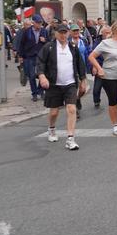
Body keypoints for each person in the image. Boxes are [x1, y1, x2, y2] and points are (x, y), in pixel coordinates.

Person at [36, 23, 87, 151]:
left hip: (70, 84)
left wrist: (83, 80)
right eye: (61, 32)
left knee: (71, 109)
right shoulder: (49, 47)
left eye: (65, 32)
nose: (63, 35)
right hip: (54, 85)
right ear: (56, 33)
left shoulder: (73, 47)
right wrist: (42, 76)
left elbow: (80, 64)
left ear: (68, 33)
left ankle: (70, 139)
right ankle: (52, 128)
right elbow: (40, 62)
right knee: (54, 112)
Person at [88, 21, 117, 136]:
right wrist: (99, 68)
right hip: (109, 76)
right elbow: (91, 57)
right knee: (113, 101)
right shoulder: (105, 43)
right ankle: (115, 125)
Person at [18, 14, 49, 101]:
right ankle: (34, 93)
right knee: (31, 76)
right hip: (29, 56)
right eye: (38, 23)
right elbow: (22, 44)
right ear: (33, 23)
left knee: (42, 75)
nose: (40, 25)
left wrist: (45, 40)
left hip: (41, 56)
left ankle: (41, 91)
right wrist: (20, 56)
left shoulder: (44, 31)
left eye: (41, 23)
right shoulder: (27, 31)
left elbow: (49, 42)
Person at [69, 23, 90, 117]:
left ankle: (77, 99)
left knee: (83, 89)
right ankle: (75, 109)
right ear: (70, 32)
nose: (76, 32)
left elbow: (87, 53)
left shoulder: (84, 41)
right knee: (74, 89)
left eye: (77, 30)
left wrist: (90, 67)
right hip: (72, 69)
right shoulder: (68, 42)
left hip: (82, 68)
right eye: (74, 31)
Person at [91, 26, 111, 108]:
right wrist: (94, 66)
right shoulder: (98, 42)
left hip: (110, 67)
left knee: (112, 87)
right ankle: (96, 101)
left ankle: (115, 102)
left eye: (109, 32)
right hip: (100, 66)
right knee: (97, 87)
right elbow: (92, 55)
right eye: (106, 33)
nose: (108, 34)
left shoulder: (112, 41)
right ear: (102, 33)